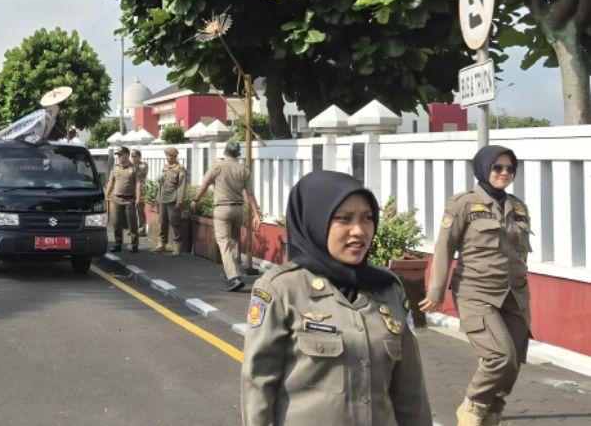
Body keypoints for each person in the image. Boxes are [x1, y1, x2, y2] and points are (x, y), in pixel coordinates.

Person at [241, 170, 432, 426]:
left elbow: (410, 390)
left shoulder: (388, 289)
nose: (359, 231)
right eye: (344, 219)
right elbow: (258, 387)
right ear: (315, 222)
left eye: (367, 218)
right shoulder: (281, 289)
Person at [419, 146, 530, 426]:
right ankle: (473, 405)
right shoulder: (463, 204)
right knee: (500, 356)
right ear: (483, 168)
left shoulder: (518, 207)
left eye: (510, 168)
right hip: (476, 292)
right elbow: (444, 247)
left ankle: (492, 411)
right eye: (497, 167)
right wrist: (435, 292)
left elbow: (520, 254)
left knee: (515, 360)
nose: (504, 173)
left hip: (514, 295)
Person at [191, 140, 262, 292]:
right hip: (239, 209)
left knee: (224, 243)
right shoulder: (244, 169)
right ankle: (235, 272)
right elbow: (250, 194)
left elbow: (204, 186)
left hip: (222, 208)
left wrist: (195, 200)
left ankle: (233, 277)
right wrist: (257, 215)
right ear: (238, 154)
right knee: (235, 242)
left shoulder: (217, 166)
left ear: (225, 152)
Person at [104, 146, 142, 253]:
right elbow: (111, 182)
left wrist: (138, 198)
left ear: (127, 155)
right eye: (118, 155)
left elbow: (138, 184)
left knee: (132, 223)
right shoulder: (115, 167)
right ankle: (118, 243)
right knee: (116, 223)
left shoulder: (134, 168)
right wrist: (107, 194)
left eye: (121, 154)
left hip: (129, 199)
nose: (119, 157)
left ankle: (134, 245)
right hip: (116, 198)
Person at [152, 147, 187, 255]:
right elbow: (161, 184)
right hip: (163, 198)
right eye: (166, 155)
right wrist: (158, 198)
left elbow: (182, 185)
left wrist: (179, 200)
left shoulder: (180, 168)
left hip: (173, 199)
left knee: (175, 222)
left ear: (174, 156)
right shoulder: (165, 167)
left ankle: (177, 246)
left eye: (169, 155)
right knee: (163, 223)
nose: (167, 158)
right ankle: (162, 243)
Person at [131, 149, 150, 235]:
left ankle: (142, 229)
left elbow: (139, 173)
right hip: (131, 189)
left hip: (141, 189)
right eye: (132, 156)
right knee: (131, 210)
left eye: (135, 156)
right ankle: (133, 228)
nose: (133, 158)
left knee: (140, 210)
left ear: (139, 157)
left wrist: (133, 166)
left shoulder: (143, 165)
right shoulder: (131, 165)